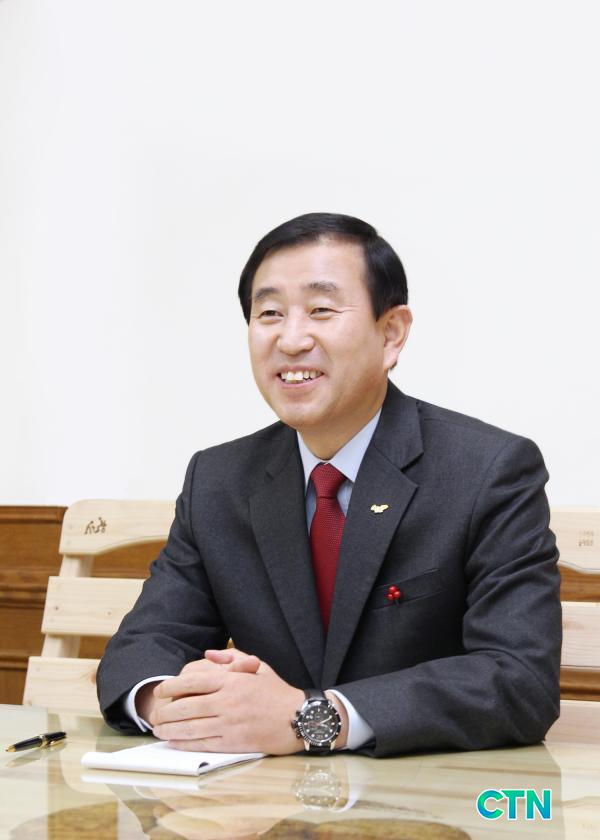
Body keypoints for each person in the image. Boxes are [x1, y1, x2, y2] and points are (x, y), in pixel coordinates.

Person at [97, 212, 561, 758]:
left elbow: (517, 679)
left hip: (429, 792)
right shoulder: (218, 479)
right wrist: (168, 703)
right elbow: (145, 644)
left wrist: (314, 717)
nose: (291, 339)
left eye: (321, 310)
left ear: (391, 333)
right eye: (269, 313)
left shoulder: (488, 470)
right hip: (263, 796)